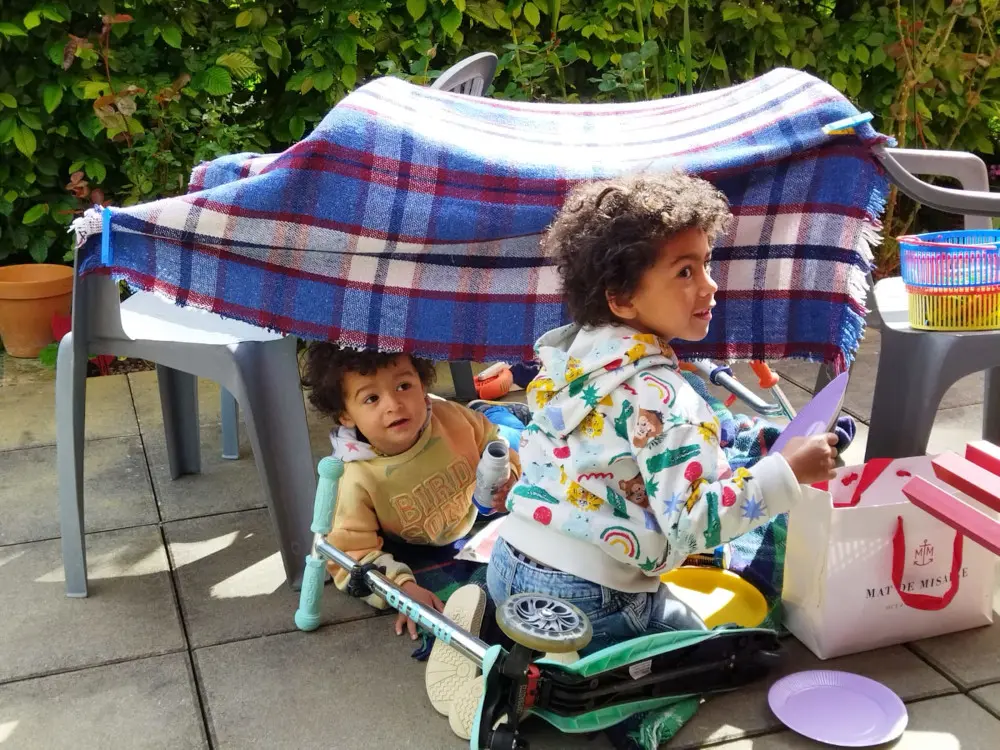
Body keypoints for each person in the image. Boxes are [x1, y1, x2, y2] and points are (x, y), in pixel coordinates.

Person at [479, 172, 839, 657]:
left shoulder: (568, 360)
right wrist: (786, 474)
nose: (710, 286)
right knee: (723, 649)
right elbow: (692, 527)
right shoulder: (668, 399)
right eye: (685, 272)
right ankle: (574, 674)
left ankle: (505, 636)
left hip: (507, 564)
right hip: (593, 596)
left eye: (706, 263)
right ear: (622, 297)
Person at [300, 345, 524, 643]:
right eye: (371, 398)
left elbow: (492, 443)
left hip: (469, 515)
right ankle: (498, 412)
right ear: (345, 415)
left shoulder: (452, 419)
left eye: (404, 386)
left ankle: (495, 412)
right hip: (418, 541)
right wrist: (401, 589)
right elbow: (349, 553)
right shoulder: (354, 474)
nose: (394, 404)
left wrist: (510, 478)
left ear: (423, 384)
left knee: (521, 439)